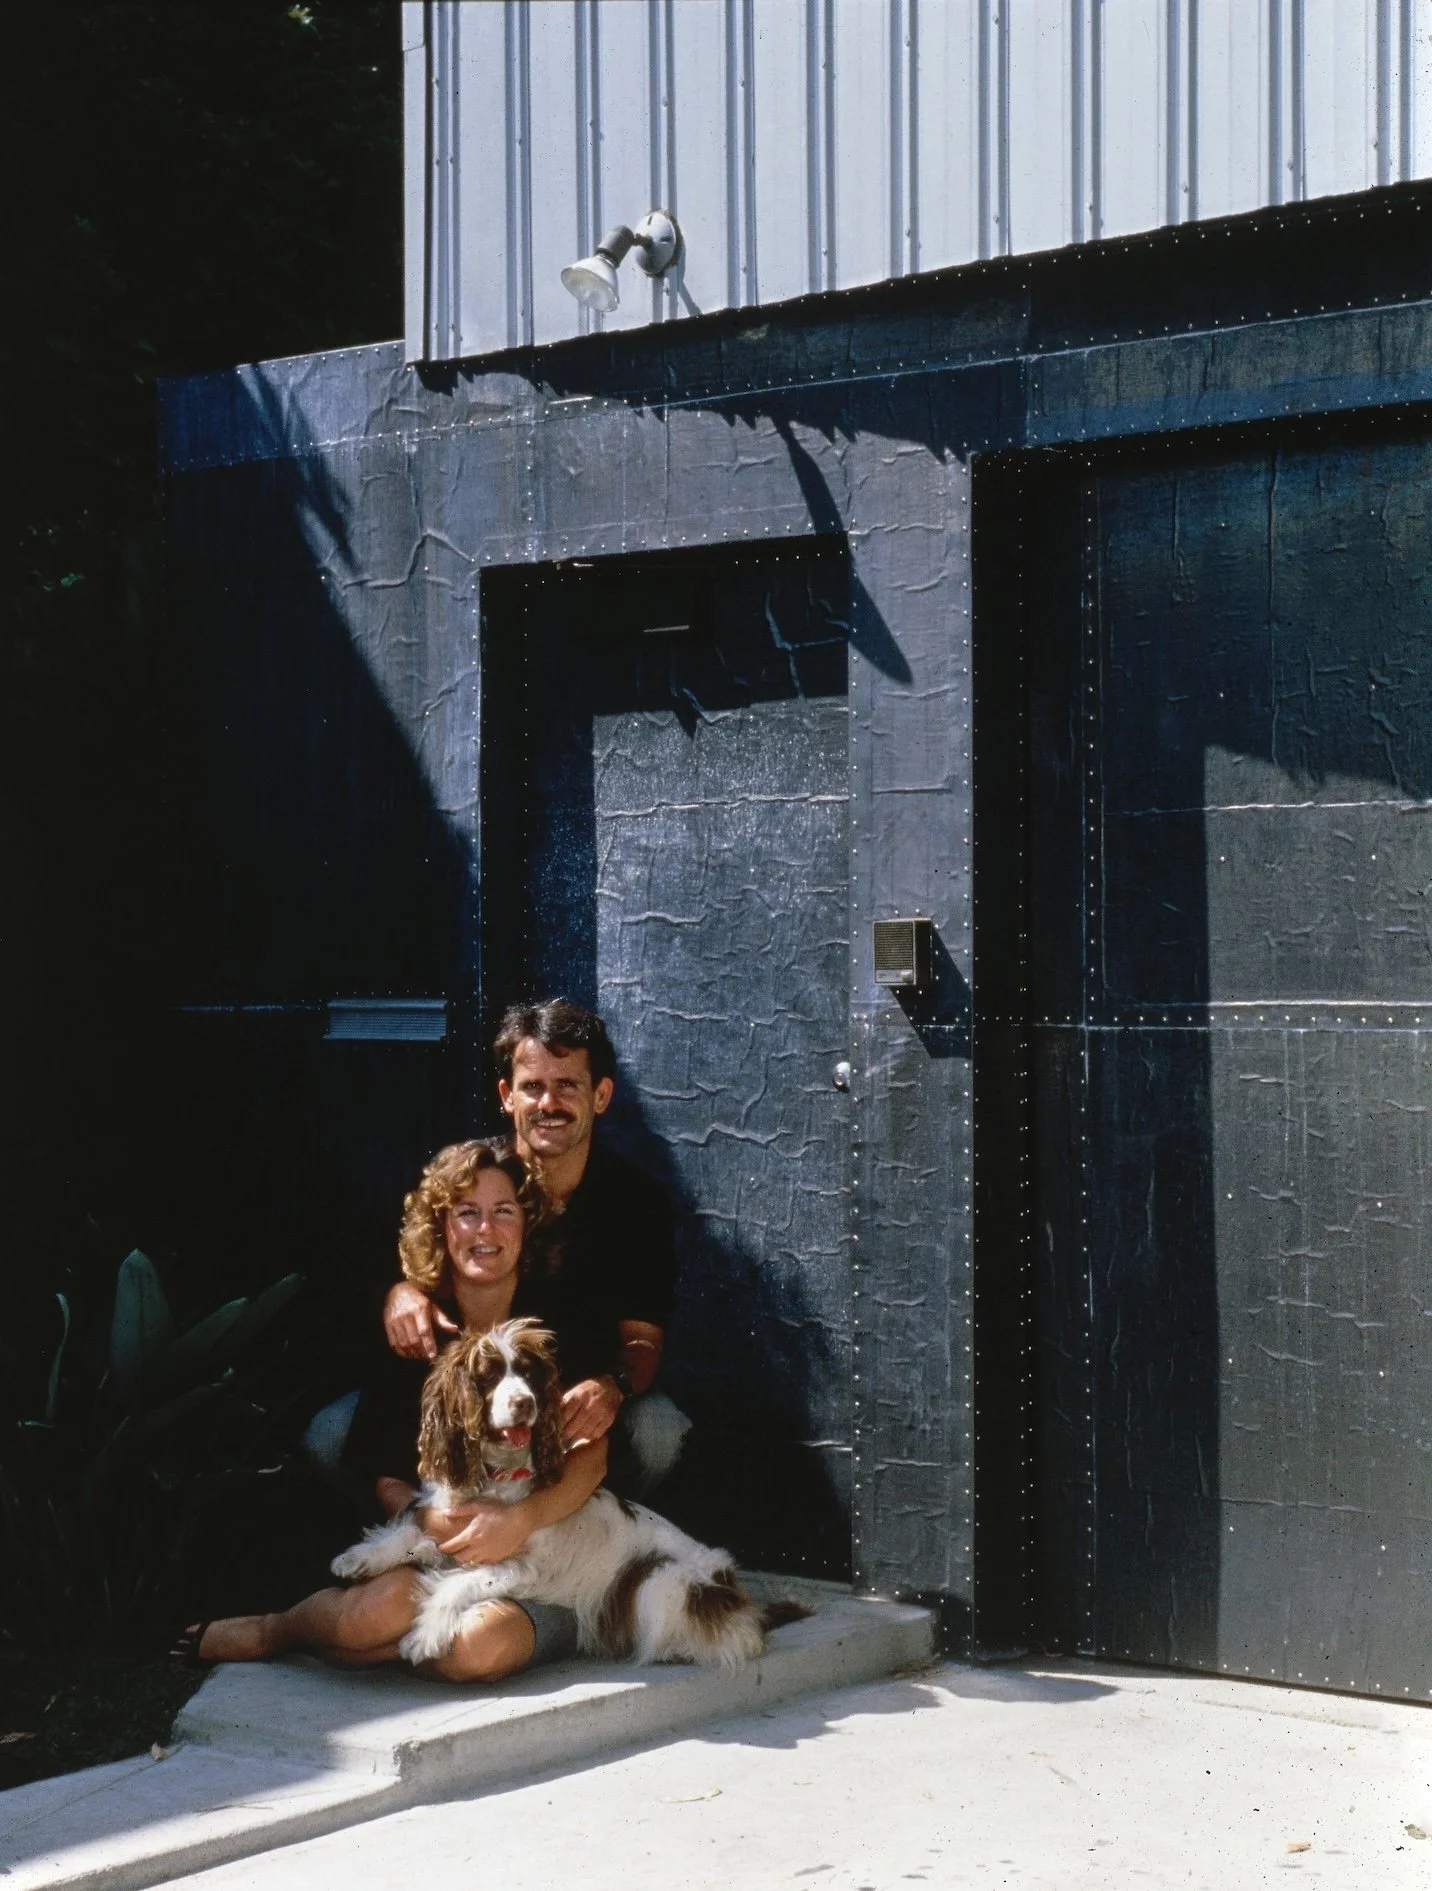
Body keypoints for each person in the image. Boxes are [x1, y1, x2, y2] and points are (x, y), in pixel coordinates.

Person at [178, 1141, 604, 1679]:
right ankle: (274, 1629)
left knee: (476, 1649)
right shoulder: (415, 1326)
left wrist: (520, 1520)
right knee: (369, 1617)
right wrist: (434, 1519)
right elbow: (384, 1470)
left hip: (549, 1567)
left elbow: (593, 1457)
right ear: (441, 1228)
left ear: (529, 1225)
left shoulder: (554, 1328)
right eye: (466, 1213)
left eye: (504, 1212)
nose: (484, 1230)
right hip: (443, 1543)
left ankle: (352, 1649)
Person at [383, 1000, 686, 1493]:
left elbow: (643, 1339)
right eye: (532, 1087)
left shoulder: (636, 1202)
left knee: (658, 1435)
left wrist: (614, 1386)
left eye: (567, 1084)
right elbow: (412, 1253)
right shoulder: (473, 1174)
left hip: (575, 1393)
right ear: (506, 1095)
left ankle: (575, 1542)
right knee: (329, 1437)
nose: (549, 1104)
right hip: (476, 1392)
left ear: (602, 1095)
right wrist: (401, 1291)